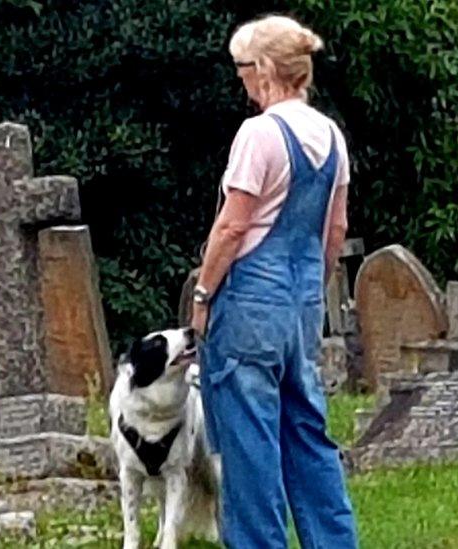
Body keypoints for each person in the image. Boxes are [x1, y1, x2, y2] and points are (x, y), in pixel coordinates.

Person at [190, 14, 358, 549]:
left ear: (264, 70)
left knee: (250, 444)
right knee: (309, 435)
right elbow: (336, 229)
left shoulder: (259, 134)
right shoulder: (331, 136)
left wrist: (202, 294)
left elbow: (233, 224)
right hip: (302, 304)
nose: (240, 80)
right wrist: (313, 289)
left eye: (243, 69)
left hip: (249, 309)